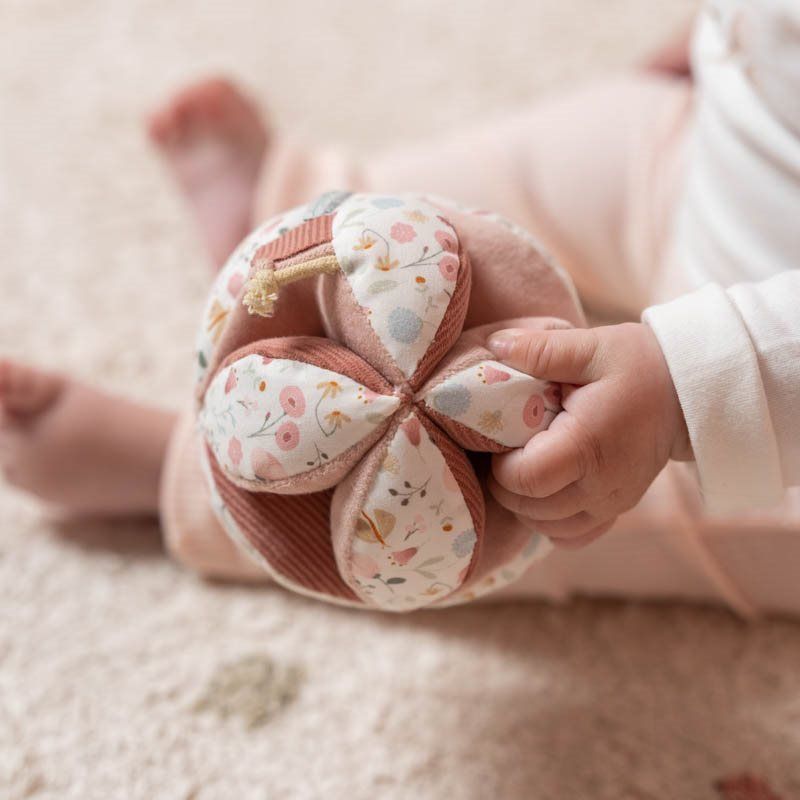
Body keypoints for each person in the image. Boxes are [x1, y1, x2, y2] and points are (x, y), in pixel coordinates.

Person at [2, 0, 799, 617]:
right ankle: (298, 218)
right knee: (502, 199)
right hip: (727, 161)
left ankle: (177, 469)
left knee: (556, 503)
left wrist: (680, 392)